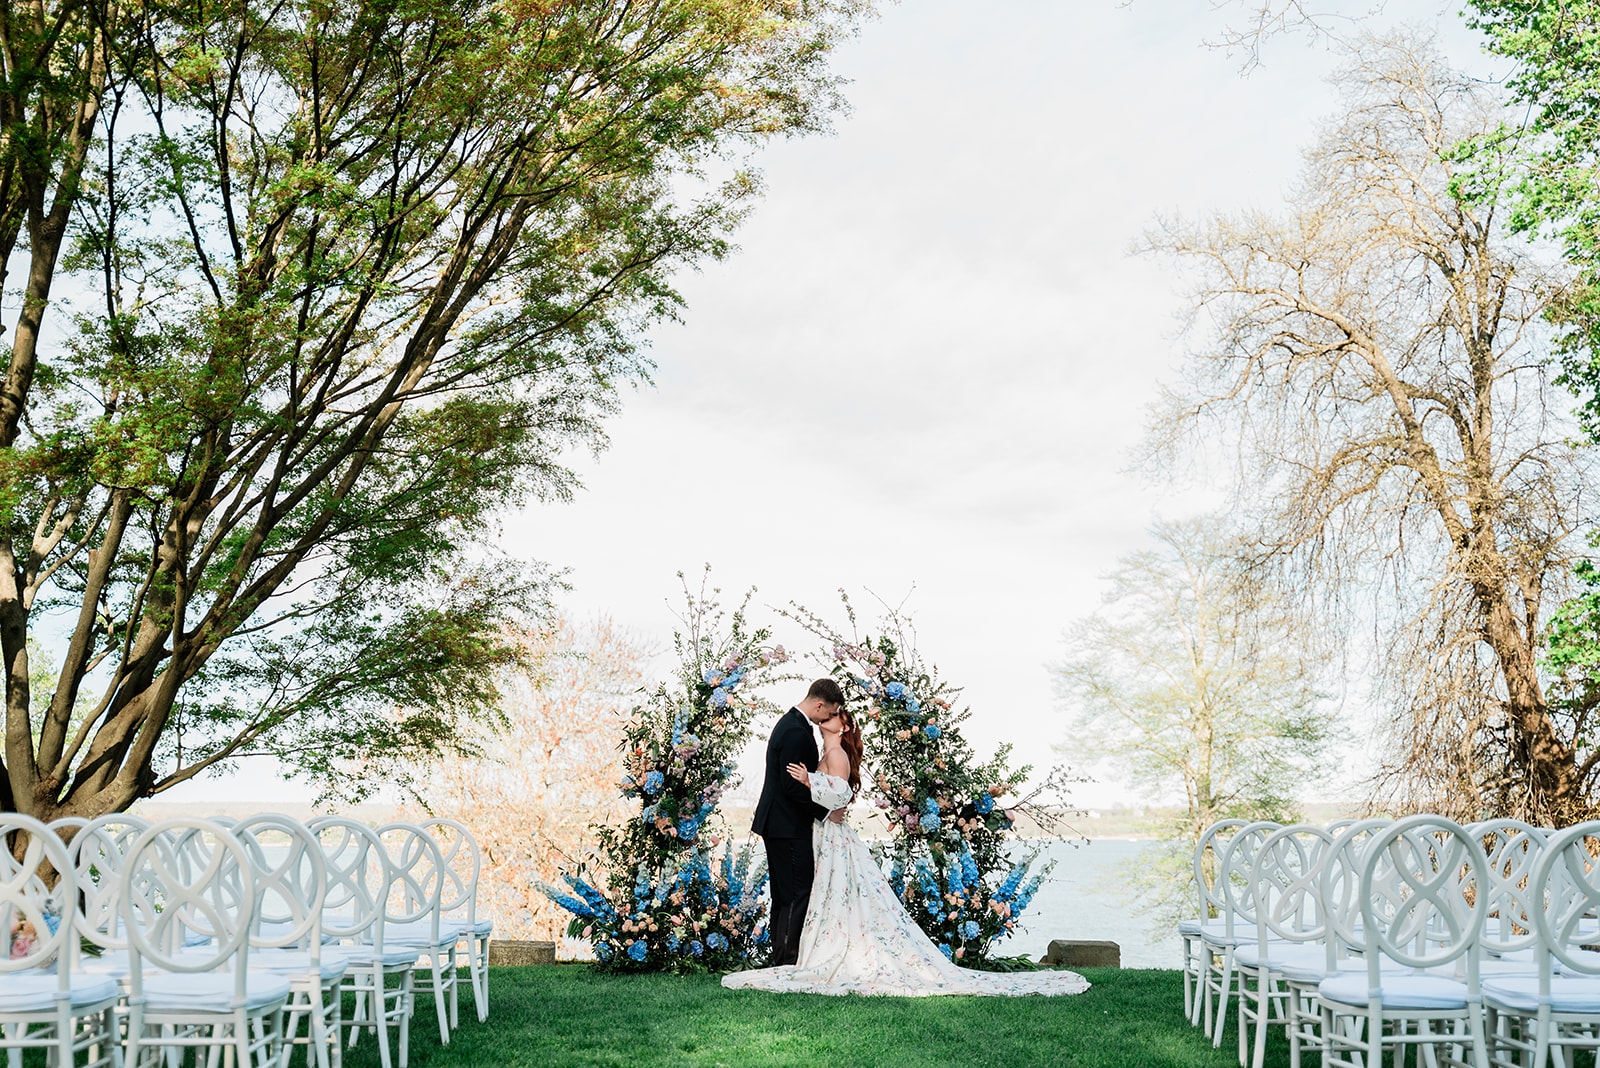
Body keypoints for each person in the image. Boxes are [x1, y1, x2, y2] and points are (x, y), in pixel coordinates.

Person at [725, 704, 1091, 997]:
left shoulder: (837, 755)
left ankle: (816, 959)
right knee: (821, 899)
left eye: (836, 716)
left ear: (843, 726)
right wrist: (812, 783)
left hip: (833, 837)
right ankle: (803, 956)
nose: (829, 718)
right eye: (831, 713)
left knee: (832, 898)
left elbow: (842, 795)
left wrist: (811, 780)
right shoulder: (827, 749)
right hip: (821, 836)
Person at [750, 679, 847, 966]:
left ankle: (781, 958)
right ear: (819, 705)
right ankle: (787, 962)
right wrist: (826, 812)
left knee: (784, 896)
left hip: (780, 824)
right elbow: (792, 787)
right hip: (787, 825)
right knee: (795, 895)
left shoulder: (794, 724)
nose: (829, 719)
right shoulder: (795, 731)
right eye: (829, 713)